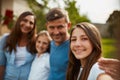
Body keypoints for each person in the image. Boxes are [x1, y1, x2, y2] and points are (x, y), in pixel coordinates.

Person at [0, 11, 37, 80]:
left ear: (33, 27)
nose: (27, 25)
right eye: (25, 20)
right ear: (19, 21)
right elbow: (1, 64)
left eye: (31, 23)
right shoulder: (5, 39)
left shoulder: (36, 42)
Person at [46, 8, 71, 80]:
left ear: (68, 26)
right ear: (47, 26)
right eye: (51, 27)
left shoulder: (75, 46)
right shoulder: (50, 43)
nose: (56, 32)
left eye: (60, 27)